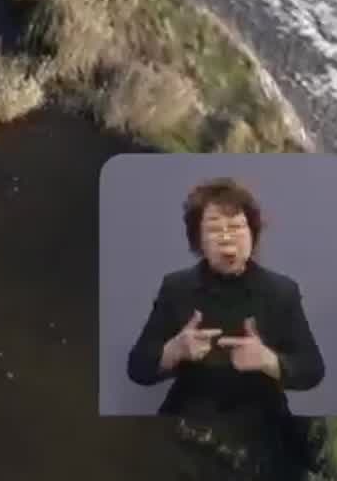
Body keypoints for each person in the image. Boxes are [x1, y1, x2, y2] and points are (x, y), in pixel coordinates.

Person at [126, 176, 326, 417]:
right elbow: (137, 368)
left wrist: (269, 361)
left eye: (236, 227)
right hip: (189, 413)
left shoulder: (282, 291)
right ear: (198, 239)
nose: (227, 237)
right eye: (214, 228)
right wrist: (173, 351)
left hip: (262, 420)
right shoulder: (176, 287)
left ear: (252, 233)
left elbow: (313, 370)